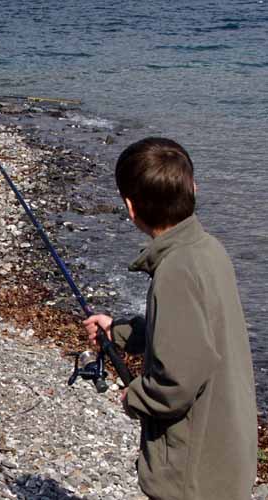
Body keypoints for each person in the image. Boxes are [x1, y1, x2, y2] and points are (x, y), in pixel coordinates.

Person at [83, 138, 257, 500]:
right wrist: (118, 331)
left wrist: (134, 397)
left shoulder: (175, 270)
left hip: (195, 471)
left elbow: (176, 383)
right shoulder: (208, 249)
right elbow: (190, 332)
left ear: (130, 208)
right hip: (229, 446)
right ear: (193, 188)